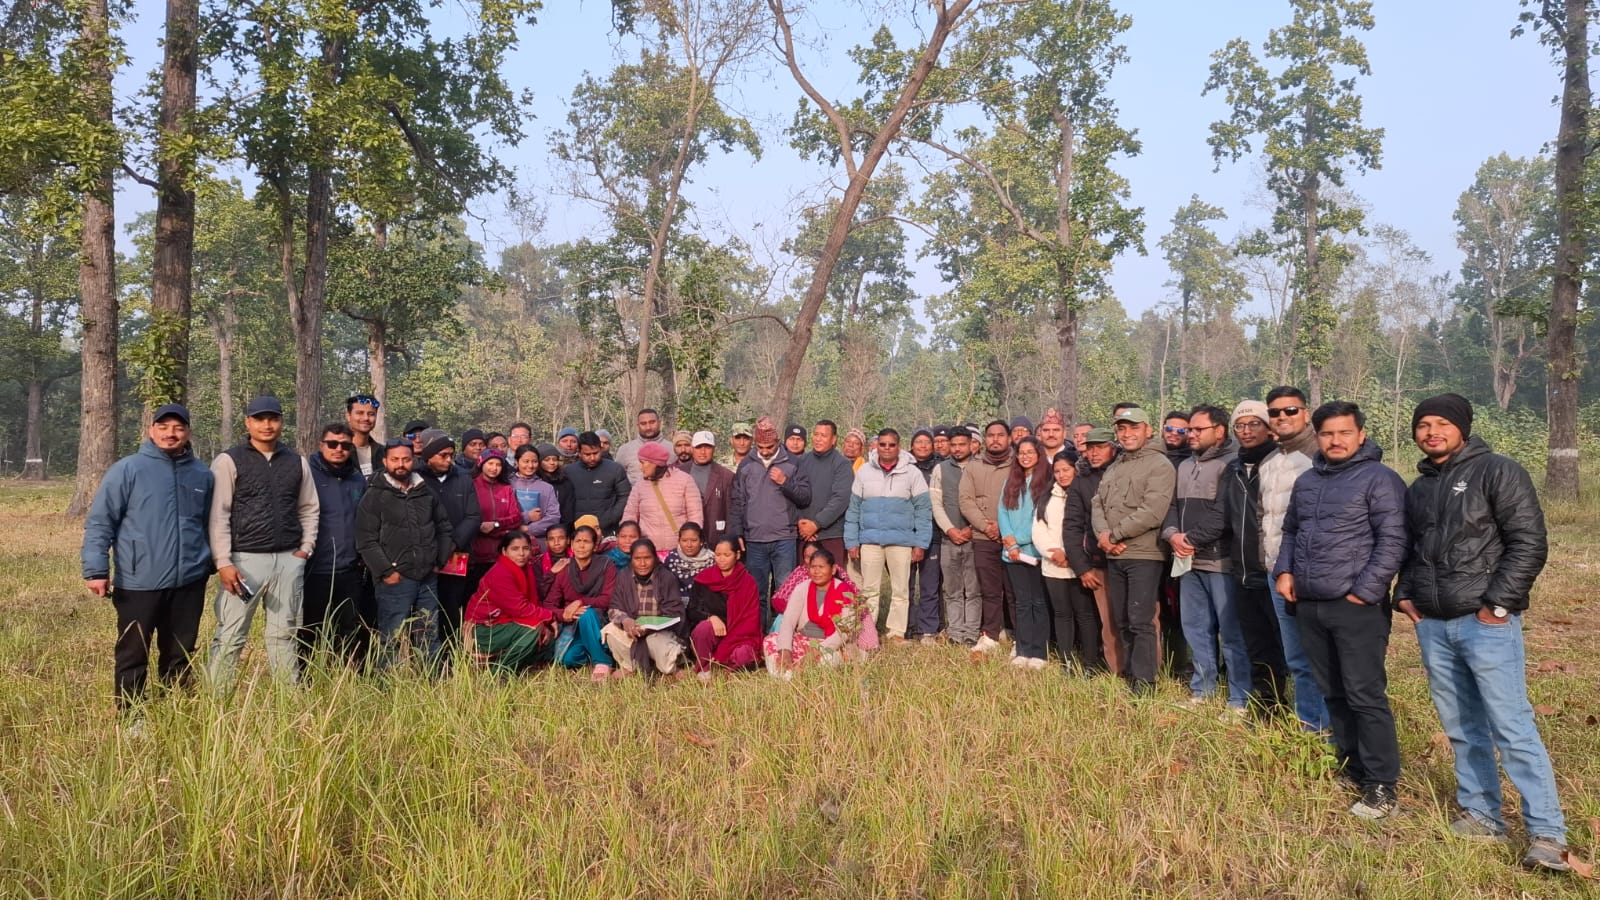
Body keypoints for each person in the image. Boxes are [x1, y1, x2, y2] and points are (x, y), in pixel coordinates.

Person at [1394, 394, 1571, 871]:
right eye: (1423, 424)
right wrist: (1405, 596)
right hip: (1434, 624)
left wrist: (1497, 606)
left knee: (1510, 725)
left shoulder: (1498, 471)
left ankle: (1547, 833)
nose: (1431, 432)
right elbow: (1412, 547)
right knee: (1461, 726)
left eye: (1441, 423)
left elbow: (1528, 542)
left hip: (1484, 624)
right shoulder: (1420, 487)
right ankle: (1482, 815)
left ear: (1462, 428)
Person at [1274, 401, 1407, 820]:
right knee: (1331, 689)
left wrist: (1364, 592)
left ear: (1360, 435)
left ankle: (1381, 783)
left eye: (1344, 432)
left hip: (1355, 606)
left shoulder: (1380, 479)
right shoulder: (1308, 481)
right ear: (1318, 437)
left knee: (1364, 693)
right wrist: (1284, 571)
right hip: (1309, 603)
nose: (1335, 440)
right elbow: (1291, 531)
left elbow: (1394, 540)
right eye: (1328, 433)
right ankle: (1352, 766)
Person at [82, 403, 213, 717]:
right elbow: (101, 522)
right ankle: (132, 719)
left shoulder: (202, 474)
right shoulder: (127, 470)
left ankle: (176, 713)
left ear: (188, 432)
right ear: (151, 430)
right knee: (133, 651)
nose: (171, 433)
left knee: (180, 652)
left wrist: (208, 562)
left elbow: (211, 523)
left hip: (189, 581)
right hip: (139, 580)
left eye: (178, 427)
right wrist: (96, 569)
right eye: (163, 427)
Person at [1183, 401, 1289, 714]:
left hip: (1255, 564)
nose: (1246, 431)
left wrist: (1190, 539)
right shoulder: (1235, 468)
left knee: (1252, 638)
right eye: (1240, 426)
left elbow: (1226, 516)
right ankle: (1220, 694)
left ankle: (1249, 699)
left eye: (1254, 424)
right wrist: (1178, 537)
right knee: (1218, 633)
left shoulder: (1277, 464)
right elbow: (1219, 512)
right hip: (1223, 564)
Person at [207, 396, 319, 687]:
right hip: (244, 562)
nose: (266, 425)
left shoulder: (296, 462)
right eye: (259, 419)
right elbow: (218, 514)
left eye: (273, 419)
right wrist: (223, 562)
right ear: (248, 423)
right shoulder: (229, 461)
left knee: (284, 634)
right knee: (232, 633)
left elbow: (309, 508)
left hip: (287, 561)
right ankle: (217, 700)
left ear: (281, 422)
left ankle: (288, 698)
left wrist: (305, 548)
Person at [1162, 404, 1252, 714]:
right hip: (1189, 563)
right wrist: (1172, 535)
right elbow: (1172, 506)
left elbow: (1223, 514)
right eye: (1190, 429)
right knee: (1195, 629)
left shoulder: (1231, 464)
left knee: (1231, 633)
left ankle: (1239, 698)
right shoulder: (1185, 465)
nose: (1191, 434)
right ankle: (1202, 689)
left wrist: (1189, 540)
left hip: (1221, 562)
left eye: (1198, 429)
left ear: (1219, 431)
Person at [1091, 407, 1176, 696]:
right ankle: (1129, 674)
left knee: (1141, 620)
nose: (1127, 434)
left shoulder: (1160, 465)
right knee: (1123, 619)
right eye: (1122, 429)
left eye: (1133, 428)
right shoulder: (1115, 466)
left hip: (1143, 554)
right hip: (1114, 554)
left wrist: (1114, 534)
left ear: (1148, 430)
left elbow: (1152, 511)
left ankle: (1145, 683)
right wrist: (1104, 537)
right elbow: (1097, 504)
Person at [1259, 386, 1329, 731]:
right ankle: (1309, 725)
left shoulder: (1321, 455)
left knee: (1323, 656)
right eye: (1275, 412)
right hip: (1277, 572)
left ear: (1306, 413)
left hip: (1314, 575)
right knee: (1297, 657)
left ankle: (1332, 728)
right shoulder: (1269, 462)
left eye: (1290, 410)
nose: (1282, 417)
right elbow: (1265, 518)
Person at [355, 440, 453, 671]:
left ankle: (432, 679)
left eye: (406, 459)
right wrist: (387, 572)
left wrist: (438, 561)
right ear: (385, 461)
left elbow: (444, 527)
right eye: (395, 459)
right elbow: (365, 539)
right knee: (392, 636)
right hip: (395, 579)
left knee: (428, 633)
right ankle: (388, 683)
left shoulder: (424, 491)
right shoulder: (375, 495)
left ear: (414, 460)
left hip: (427, 577)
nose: (400, 464)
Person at [845, 428, 931, 644]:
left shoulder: (912, 473)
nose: (886, 448)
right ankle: (867, 631)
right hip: (870, 541)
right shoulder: (864, 471)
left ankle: (896, 632)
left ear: (898, 447)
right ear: (876, 446)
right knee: (869, 590)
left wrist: (920, 543)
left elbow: (923, 511)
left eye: (891, 445)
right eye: (882, 444)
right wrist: (852, 541)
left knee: (900, 590)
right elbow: (854, 509)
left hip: (901, 542)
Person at [728, 416, 812, 629]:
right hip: (754, 539)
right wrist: (738, 532)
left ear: (778, 442)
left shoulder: (793, 463)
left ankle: (782, 634)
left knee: (785, 591)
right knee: (757, 592)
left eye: (769, 447)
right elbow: (737, 501)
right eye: (760, 447)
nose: (765, 452)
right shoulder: (746, 464)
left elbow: (805, 497)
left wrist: (785, 482)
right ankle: (757, 636)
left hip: (784, 537)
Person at [302, 423, 367, 670]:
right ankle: (308, 679)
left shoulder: (357, 479)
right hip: (314, 568)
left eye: (345, 446)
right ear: (321, 445)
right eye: (332, 444)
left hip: (349, 569)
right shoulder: (306, 475)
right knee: (311, 628)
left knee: (349, 628)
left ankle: (346, 678)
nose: (339, 449)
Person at [416, 429, 482, 656]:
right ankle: (424, 656)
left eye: (451, 455)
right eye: (442, 455)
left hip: (456, 555)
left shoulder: (463, 478)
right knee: (425, 609)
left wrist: (452, 544)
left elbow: (473, 516)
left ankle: (452, 656)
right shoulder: (416, 478)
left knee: (452, 606)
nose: (448, 460)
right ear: (428, 456)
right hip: (425, 555)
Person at [1036, 455, 1100, 673]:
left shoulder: (1085, 493)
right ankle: (1067, 661)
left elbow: (1087, 528)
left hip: (1080, 566)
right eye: (1057, 471)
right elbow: (1039, 529)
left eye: (1066, 470)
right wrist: (1054, 553)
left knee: (1085, 615)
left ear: (1076, 469)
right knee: (1062, 615)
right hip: (1053, 566)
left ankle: (1090, 662)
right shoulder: (1047, 497)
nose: (1062, 475)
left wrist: (1073, 556)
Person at [766, 547, 875, 674]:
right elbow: (788, 622)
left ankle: (796, 674)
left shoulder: (845, 592)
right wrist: (785, 651)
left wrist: (817, 651)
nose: (816, 571)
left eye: (821, 567)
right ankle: (786, 674)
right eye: (813, 567)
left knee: (827, 660)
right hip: (805, 640)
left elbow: (844, 632)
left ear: (833, 569)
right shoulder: (802, 588)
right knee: (771, 640)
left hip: (833, 646)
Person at [1064, 427, 1118, 675]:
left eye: (1100, 447)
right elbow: (1072, 526)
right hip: (1097, 562)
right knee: (1108, 622)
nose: (1094, 453)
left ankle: (1144, 673)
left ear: (1113, 448)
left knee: (1138, 620)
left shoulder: (1123, 472)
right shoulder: (1082, 481)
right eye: (1090, 448)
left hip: (1132, 557)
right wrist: (1082, 568)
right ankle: (1116, 672)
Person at [464, 532, 558, 673]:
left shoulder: (526, 568)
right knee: (533, 630)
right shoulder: (499, 573)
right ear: (504, 551)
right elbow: (519, 608)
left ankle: (524, 665)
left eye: (525, 548)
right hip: (483, 629)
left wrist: (547, 621)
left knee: (549, 632)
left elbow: (532, 602)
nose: (521, 554)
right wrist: (548, 617)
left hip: (506, 622)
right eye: (515, 549)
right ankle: (499, 671)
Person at [958, 420, 1014, 652]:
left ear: (1009, 438)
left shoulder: (1018, 464)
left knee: (1014, 590)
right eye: (991, 435)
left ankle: (1019, 636)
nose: (995, 439)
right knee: (989, 589)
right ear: (983, 440)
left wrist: (1005, 528)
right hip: (983, 537)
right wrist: (985, 526)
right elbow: (966, 500)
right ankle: (990, 634)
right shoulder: (974, 466)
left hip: (1013, 538)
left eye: (1000, 435)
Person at [997, 437, 1051, 668]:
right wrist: (1009, 543)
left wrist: (1017, 540)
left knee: (1038, 602)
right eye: (1021, 452)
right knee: (1021, 602)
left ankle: (1039, 652)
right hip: (1012, 554)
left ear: (1038, 454)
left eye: (1030, 452)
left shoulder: (1047, 482)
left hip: (1035, 552)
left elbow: (1040, 518)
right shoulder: (1011, 481)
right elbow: (1002, 511)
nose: (1025, 456)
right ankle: (1023, 649)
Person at [602, 538, 689, 678]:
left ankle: (671, 668)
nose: (642, 563)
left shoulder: (666, 577)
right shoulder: (624, 576)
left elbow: (676, 613)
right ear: (631, 559)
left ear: (655, 558)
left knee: (656, 644)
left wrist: (649, 627)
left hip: (658, 633)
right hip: (632, 631)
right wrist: (625, 620)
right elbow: (614, 608)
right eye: (637, 558)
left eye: (647, 558)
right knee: (610, 630)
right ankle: (630, 666)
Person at [543, 524, 619, 679]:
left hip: (599, 619)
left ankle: (602, 662)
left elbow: (608, 599)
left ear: (595, 546)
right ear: (571, 544)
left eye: (587, 541)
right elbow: (549, 604)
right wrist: (564, 614)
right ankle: (598, 650)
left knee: (586, 612)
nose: (582, 546)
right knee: (568, 660)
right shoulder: (565, 569)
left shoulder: (606, 565)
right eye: (578, 541)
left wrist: (580, 602)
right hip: (573, 625)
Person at [932, 425, 981, 647]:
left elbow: (985, 502)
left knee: (973, 589)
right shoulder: (940, 469)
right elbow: (936, 504)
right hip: (948, 538)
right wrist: (950, 530)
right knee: (951, 589)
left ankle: (971, 632)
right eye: (954, 445)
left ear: (972, 444)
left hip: (975, 537)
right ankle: (955, 632)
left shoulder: (980, 467)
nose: (958, 449)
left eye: (962, 444)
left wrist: (972, 528)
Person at [686, 538, 763, 678]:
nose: (721, 559)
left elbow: (751, 621)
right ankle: (705, 667)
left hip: (740, 636)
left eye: (726, 555)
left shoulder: (748, 582)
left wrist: (724, 648)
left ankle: (726, 666)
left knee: (743, 654)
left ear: (737, 555)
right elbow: (692, 610)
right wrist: (711, 617)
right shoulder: (704, 579)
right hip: (714, 633)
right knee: (703, 628)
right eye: (718, 555)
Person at [623, 441, 703, 553]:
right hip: (649, 553)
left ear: (655, 463)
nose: (640, 468)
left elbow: (695, 516)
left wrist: (690, 543)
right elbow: (629, 516)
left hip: (680, 552)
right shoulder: (639, 486)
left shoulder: (685, 480)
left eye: (643, 463)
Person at [796, 420, 853, 572]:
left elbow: (841, 499)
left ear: (834, 439)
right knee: (804, 580)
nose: (818, 439)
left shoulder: (842, 464)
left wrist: (816, 524)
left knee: (832, 579)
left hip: (831, 534)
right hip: (804, 534)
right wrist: (801, 522)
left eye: (823, 435)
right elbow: (794, 494)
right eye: (816, 434)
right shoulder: (801, 461)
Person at [907, 428, 943, 641]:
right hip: (906, 533)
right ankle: (908, 626)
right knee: (906, 585)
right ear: (911, 446)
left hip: (934, 532)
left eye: (926, 442)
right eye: (918, 442)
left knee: (930, 585)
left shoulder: (941, 467)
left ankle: (928, 628)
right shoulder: (904, 468)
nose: (922, 446)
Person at [470, 449, 522, 593]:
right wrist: (482, 528)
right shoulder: (471, 486)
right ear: (481, 464)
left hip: (501, 554)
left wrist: (496, 525)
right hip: (476, 555)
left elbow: (516, 517)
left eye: (498, 465)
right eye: (490, 463)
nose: (494, 468)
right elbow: (469, 517)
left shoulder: (506, 489)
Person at [565, 431, 631, 535]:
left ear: (600, 449)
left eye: (596, 453)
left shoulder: (615, 469)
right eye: (587, 454)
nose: (592, 458)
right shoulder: (569, 471)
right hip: (578, 530)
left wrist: (611, 518)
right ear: (579, 452)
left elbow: (625, 496)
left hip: (608, 529)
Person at [684, 431, 735, 547]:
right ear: (692, 449)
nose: (703, 452)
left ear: (714, 449)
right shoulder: (680, 472)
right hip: (688, 538)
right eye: (699, 447)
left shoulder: (726, 475)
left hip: (715, 536)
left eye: (707, 447)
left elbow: (730, 511)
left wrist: (729, 540)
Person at [509, 445, 559, 544]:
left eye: (534, 461)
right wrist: (527, 517)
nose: (531, 465)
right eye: (526, 461)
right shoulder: (507, 484)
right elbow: (502, 515)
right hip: (511, 540)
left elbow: (554, 517)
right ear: (517, 462)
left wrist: (528, 529)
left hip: (539, 542)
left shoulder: (547, 487)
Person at [615, 408, 673, 484]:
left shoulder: (672, 449)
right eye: (643, 423)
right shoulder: (625, 450)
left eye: (652, 422)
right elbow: (617, 478)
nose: (648, 427)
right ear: (638, 425)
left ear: (659, 423)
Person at [663, 523, 716, 603]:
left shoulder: (712, 561)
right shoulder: (671, 560)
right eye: (684, 540)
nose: (689, 545)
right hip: (675, 605)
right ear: (679, 541)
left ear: (701, 541)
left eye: (694, 540)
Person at [533, 443, 575, 531]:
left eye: (555, 459)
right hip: (538, 528)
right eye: (547, 460)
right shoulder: (535, 481)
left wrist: (564, 528)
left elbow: (568, 508)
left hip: (562, 528)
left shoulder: (564, 481)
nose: (552, 463)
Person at [345, 394, 381, 476]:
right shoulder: (339, 451)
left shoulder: (383, 452)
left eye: (371, 414)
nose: (366, 418)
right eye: (360, 413)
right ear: (348, 416)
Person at [534, 523, 572, 597]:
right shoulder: (538, 563)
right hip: (549, 600)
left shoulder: (577, 558)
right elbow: (540, 592)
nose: (556, 543)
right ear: (546, 543)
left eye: (561, 538)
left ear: (568, 540)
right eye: (551, 539)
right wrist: (552, 572)